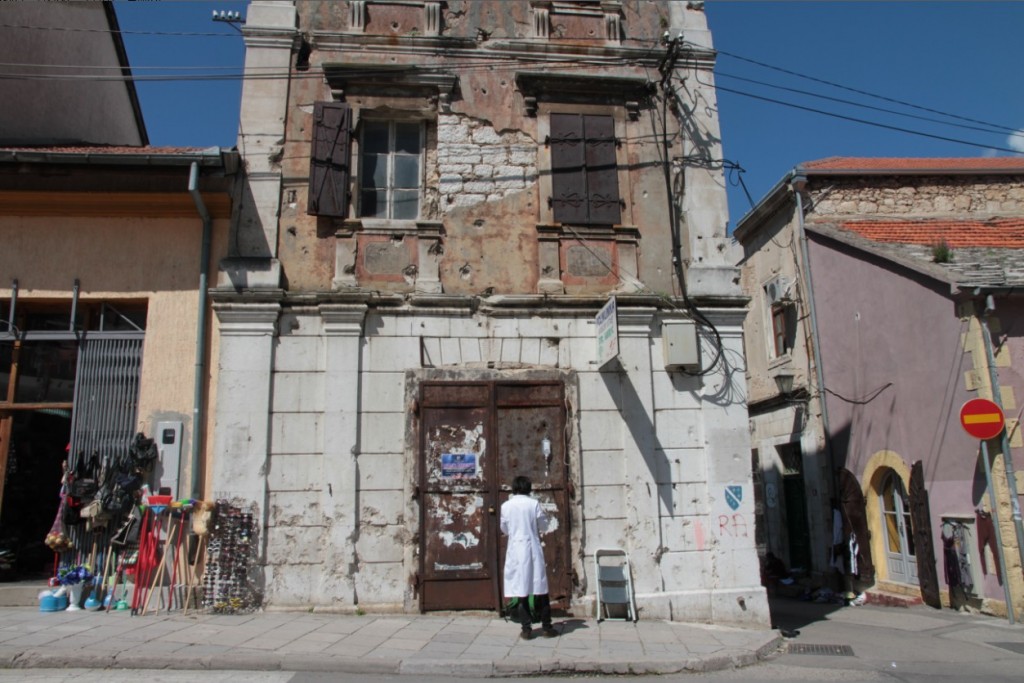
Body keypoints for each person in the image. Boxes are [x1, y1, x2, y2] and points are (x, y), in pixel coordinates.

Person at [501, 475, 557, 640]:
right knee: (540, 587)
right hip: (532, 548)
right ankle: (547, 627)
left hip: (515, 549)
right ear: (528, 488)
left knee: (521, 589)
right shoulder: (533, 504)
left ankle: (526, 629)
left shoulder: (506, 506)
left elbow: (504, 528)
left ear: (514, 488)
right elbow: (544, 525)